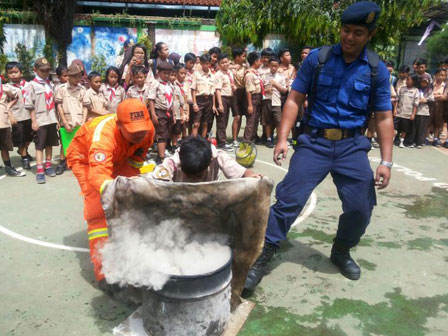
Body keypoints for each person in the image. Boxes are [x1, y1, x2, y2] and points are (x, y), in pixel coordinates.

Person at [244, 1, 394, 291]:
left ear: (370, 35)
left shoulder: (376, 70)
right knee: (289, 200)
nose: (349, 37)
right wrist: (282, 138)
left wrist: (386, 162)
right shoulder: (318, 59)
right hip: (314, 143)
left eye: (358, 33)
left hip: (352, 147)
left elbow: (385, 117)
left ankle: (341, 251)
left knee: (361, 207)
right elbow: (294, 99)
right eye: (346, 30)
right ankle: (263, 254)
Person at [66, 99, 155, 284]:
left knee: (129, 199)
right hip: (85, 160)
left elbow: (136, 162)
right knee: (97, 211)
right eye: (134, 131)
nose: (140, 134)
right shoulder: (103, 138)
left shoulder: (147, 131)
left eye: (142, 129)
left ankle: (126, 244)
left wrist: (130, 187)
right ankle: (104, 272)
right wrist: (114, 192)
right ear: (119, 124)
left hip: (120, 158)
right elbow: (98, 176)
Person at [151, 136, 259, 182]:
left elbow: (243, 173)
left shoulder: (217, 157)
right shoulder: (172, 163)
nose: (194, 180)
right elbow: (151, 182)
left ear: (209, 162)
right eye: (188, 175)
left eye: (198, 176)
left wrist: (251, 176)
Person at [25, 57, 60, 184]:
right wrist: (34, 121)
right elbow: (30, 105)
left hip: (51, 119)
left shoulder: (49, 84)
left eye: (47, 70)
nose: (45, 73)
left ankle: (48, 166)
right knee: (40, 145)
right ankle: (40, 170)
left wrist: (57, 120)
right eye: (43, 70)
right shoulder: (31, 85)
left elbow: (54, 104)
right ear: (35, 70)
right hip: (40, 120)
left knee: (49, 144)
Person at [54, 62, 87, 175]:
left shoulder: (82, 89)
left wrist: (83, 121)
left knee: (80, 144)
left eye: (80, 76)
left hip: (79, 121)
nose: (79, 79)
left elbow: (85, 106)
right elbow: (59, 106)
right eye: (76, 76)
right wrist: (64, 122)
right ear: (70, 76)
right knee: (65, 143)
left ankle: (76, 163)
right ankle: (62, 163)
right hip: (67, 121)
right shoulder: (61, 89)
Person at [5, 62, 33, 170]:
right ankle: (24, 158)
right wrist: (10, 116)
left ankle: (23, 150)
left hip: (30, 116)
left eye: (16, 72)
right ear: (7, 74)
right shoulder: (6, 88)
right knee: (20, 139)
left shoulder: (29, 85)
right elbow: (5, 103)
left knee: (30, 137)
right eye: (10, 73)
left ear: (21, 73)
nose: (13, 74)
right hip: (17, 117)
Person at [147, 61, 175, 163]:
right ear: (158, 72)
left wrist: (173, 114)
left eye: (169, 73)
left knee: (167, 133)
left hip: (168, 112)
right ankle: (161, 157)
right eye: (165, 73)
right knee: (161, 134)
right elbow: (151, 99)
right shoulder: (155, 84)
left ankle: (162, 153)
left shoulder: (169, 85)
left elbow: (171, 100)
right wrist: (153, 114)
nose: (167, 76)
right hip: (159, 111)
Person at [0, 76, 24, 177]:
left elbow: (15, 97)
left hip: (2, 121)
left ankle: (9, 168)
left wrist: (8, 107)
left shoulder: (4, 88)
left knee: (4, 146)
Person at [261, 57, 287, 148]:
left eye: (276, 66)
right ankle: (268, 139)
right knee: (267, 121)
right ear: (269, 66)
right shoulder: (264, 76)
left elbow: (284, 90)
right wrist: (266, 90)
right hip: (267, 101)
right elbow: (261, 90)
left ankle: (280, 139)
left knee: (278, 121)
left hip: (276, 102)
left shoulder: (281, 77)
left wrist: (276, 84)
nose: (273, 68)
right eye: (272, 66)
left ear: (279, 66)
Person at [191, 54, 215, 138]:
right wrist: (194, 103)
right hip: (199, 100)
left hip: (208, 100)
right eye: (204, 63)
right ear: (201, 63)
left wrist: (213, 105)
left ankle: (203, 141)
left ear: (210, 64)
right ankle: (193, 142)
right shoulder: (196, 74)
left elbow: (213, 91)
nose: (206, 65)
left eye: (207, 63)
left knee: (205, 123)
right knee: (196, 123)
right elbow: (193, 89)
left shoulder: (212, 75)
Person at [214, 53, 235, 150]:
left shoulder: (229, 73)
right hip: (222, 98)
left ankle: (222, 140)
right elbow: (217, 89)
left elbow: (230, 84)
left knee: (225, 120)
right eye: (222, 63)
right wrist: (220, 104)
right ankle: (221, 143)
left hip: (229, 97)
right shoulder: (218, 75)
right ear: (219, 64)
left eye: (226, 62)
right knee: (221, 121)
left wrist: (233, 87)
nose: (225, 64)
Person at [244, 51, 264, 143]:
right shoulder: (249, 75)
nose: (261, 62)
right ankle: (246, 141)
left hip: (259, 97)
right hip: (253, 98)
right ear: (256, 61)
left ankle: (253, 138)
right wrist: (250, 105)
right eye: (260, 60)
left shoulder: (256, 73)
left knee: (255, 120)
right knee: (251, 121)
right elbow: (248, 90)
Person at [230, 47, 248, 147]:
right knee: (236, 116)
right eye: (243, 56)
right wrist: (233, 67)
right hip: (234, 93)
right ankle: (234, 139)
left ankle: (240, 137)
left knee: (241, 116)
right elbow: (218, 67)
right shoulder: (229, 66)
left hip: (244, 92)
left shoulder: (245, 66)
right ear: (237, 57)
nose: (244, 58)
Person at [395, 75, 419, 148]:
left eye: (408, 80)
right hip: (399, 112)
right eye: (406, 79)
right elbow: (397, 100)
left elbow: (415, 104)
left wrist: (413, 114)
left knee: (404, 129)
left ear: (413, 81)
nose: (407, 81)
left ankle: (401, 141)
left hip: (407, 113)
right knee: (394, 127)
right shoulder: (401, 89)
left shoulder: (416, 91)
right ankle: (393, 139)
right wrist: (395, 110)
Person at [410, 74, 433, 149]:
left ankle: (419, 142)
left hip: (424, 112)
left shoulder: (429, 90)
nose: (423, 84)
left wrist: (425, 100)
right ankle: (412, 141)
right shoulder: (417, 89)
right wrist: (418, 100)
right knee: (414, 127)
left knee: (422, 128)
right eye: (422, 82)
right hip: (416, 111)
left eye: (425, 82)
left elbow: (432, 100)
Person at [169, 66, 185, 151]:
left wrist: (182, 114)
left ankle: (174, 145)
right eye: (171, 75)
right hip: (169, 113)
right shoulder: (165, 87)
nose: (173, 77)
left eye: (174, 75)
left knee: (176, 130)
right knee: (168, 130)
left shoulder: (177, 87)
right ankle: (167, 145)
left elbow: (181, 103)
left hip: (178, 114)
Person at [431, 68, 447, 147]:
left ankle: (435, 138)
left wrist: (434, 96)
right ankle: (426, 137)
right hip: (431, 106)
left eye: (443, 75)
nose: (441, 77)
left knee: (438, 123)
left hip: (440, 107)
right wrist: (438, 96)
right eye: (439, 75)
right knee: (429, 122)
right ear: (435, 75)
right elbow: (429, 96)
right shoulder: (431, 84)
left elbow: (444, 97)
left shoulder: (445, 85)